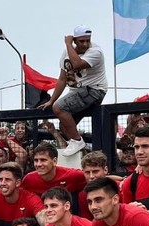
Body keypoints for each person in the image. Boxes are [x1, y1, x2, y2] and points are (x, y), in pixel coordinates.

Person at [39, 25, 107, 156]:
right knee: (64, 127)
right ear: (75, 40)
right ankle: (85, 156)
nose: (85, 44)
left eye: (88, 40)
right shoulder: (66, 53)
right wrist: (51, 100)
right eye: (82, 41)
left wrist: (68, 44)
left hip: (94, 90)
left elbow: (77, 64)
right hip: (78, 92)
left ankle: (77, 141)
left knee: (59, 107)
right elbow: (62, 80)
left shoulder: (95, 52)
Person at [21, 142, 87, 202]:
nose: (38, 164)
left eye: (43, 160)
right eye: (36, 160)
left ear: (54, 161)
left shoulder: (74, 175)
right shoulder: (29, 179)